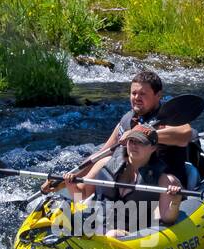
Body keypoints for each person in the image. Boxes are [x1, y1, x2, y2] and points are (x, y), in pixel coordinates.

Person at [42, 69, 194, 194]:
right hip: (131, 181)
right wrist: (67, 178)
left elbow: (185, 135)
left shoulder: (168, 117)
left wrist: (142, 134)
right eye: (134, 93)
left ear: (158, 95)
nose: (137, 98)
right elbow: (103, 152)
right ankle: (78, 195)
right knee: (104, 161)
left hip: (163, 183)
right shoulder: (128, 119)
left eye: (143, 94)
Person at [65, 125, 183, 236]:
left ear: (153, 147)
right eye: (131, 141)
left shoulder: (165, 181)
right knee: (66, 218)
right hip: (98, 222)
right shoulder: (104, 163)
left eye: (141, 142)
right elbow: (82, 196)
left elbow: (168, 218)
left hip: (132, 232)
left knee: (112, 235)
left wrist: (176, 199)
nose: (134, 145)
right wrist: (70, 184)